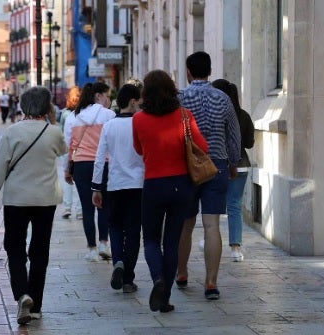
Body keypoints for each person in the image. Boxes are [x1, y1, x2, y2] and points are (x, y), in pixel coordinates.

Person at [0, 86, 67, 324]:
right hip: (45, 200)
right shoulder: (54, 132)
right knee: (40, 250)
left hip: (16, 200)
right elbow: (63, 152)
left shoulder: (12, 132)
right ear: (47, 106)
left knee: (15, 247)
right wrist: (51, 121)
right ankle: (36, 305)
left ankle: (22, 294)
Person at [133, 71, 208, 312]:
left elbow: (137, 148)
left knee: (151, 239)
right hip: (181, 185)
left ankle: (157, 279)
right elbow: (202, 146)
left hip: (153, 184)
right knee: (172, 242)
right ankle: (164, 298)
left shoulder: (138, 119)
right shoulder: (185, 116)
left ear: (146, 93)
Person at [176, 52, 241, 301]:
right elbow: (233, 135)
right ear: (210, 71)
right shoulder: (223, 98)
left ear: (188, 72)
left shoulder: (180, 98)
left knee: (186, 224)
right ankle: (211, 282)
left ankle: (181, 272)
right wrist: (233, 162)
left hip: (187, 167)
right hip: (217, 165)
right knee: (212, 225)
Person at [92, 84, 144, 294]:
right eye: (139, 101)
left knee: (114, 225)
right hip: (138, 184)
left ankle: (118, 261)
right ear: (132, 101)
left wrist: (96, 187)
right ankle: (128, 278)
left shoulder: (109, 126)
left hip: (115, 184)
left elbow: (99, 158)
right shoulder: (140, 125)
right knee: (133, 229)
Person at [63, 82, 115, 262]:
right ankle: (103, 244)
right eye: (106, 95)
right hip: (104, 164)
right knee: (104, 206)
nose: (108, 99)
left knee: (87, 208)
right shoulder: (110, 115)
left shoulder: (76, 117)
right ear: (98, 96)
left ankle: (91, 249)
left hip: (81, 165)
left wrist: (67, 170)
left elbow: (71, 145)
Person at [212, 79, 255, 262]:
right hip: (241, 163)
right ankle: (236, 248)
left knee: (212, 204)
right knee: (235, 206)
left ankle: (209, 240)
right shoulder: (243, 115)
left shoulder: (215, 114)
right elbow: (249, 143)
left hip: (218, 163)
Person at [58, 86, 82, 220]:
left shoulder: (67, 113)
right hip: (73, 149)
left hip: (73, 149)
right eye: (76, 95)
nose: (77, 98)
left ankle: (73, 209)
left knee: (73, 180)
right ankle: (73, 209)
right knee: (73, 180)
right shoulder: (70, 113)